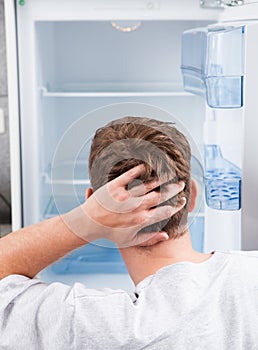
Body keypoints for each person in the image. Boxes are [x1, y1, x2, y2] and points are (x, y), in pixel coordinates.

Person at [0, 116, 257, 350]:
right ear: (192, 196)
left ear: (92, 201)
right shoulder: (251, 274)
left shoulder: (82, 323)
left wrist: (87, 221)